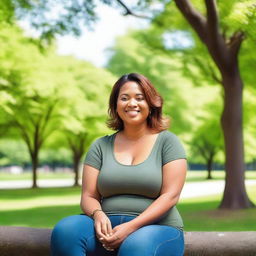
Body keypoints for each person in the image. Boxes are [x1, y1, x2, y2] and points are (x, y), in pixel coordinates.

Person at [51, 73, 187, 256]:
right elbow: (89, 195)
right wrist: (98, 215)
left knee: (135, 246)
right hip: (106, 226)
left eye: (140, 98)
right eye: (124, 98)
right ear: (116, 105)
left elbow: (170, 196)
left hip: (157, 228)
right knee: (66, 231)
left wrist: (131, 227)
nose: (132, 103)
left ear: (151, 104)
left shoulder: (168, 142)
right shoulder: (100, 146)